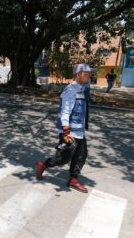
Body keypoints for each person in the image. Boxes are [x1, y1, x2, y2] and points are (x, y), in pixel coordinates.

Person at [36, 63, 92, 193]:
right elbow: (64, 112)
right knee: (62, 158)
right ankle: (42, 165)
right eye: (87, 73)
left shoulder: (84, 89)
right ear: (78, 75)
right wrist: (65, 132)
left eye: (90, 73)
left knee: (81, 156)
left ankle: (73, 179)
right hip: (70, 132)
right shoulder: (70, 91)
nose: (90, 75)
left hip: (80, 131)